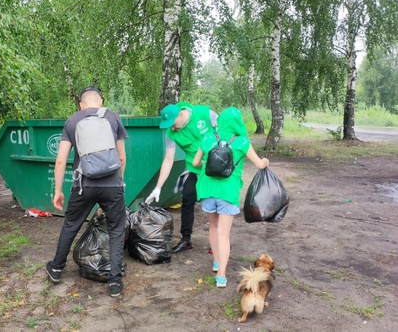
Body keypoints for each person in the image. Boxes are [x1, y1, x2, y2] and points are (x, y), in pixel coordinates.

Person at [46, 86, 128, 297]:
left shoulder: (72, 121)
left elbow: (61, 160)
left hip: (84, 184)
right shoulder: (113, 118)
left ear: (81, 105)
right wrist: (118, 182)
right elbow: (121, 158)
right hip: (112, 185)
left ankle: (56, 268)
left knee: (71, 224)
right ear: (100, 101)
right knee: (116, 229)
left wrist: (58, 190)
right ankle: (115, 281)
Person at [192, 107, 269, 288]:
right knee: (224, 235)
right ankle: (221, 276)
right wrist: (265, 161)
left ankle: (217, 262)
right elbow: (259, 164)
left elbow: (195, 163)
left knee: (213, 226)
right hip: (228, 192)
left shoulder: (208, 138)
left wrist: (207, 164)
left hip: (207, 190)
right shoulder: (242, 142)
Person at [145, 101, 218, 253]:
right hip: (193, 167)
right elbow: (168, 160)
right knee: (187, 200)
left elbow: (226, 132)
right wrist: (157, 187)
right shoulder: (171, 133)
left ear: (181, 114)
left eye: (172, 123)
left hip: (214, 168)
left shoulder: (205, 114)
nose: (171, 128)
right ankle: (186, 239)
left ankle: (218, 240)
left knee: (216, 203)